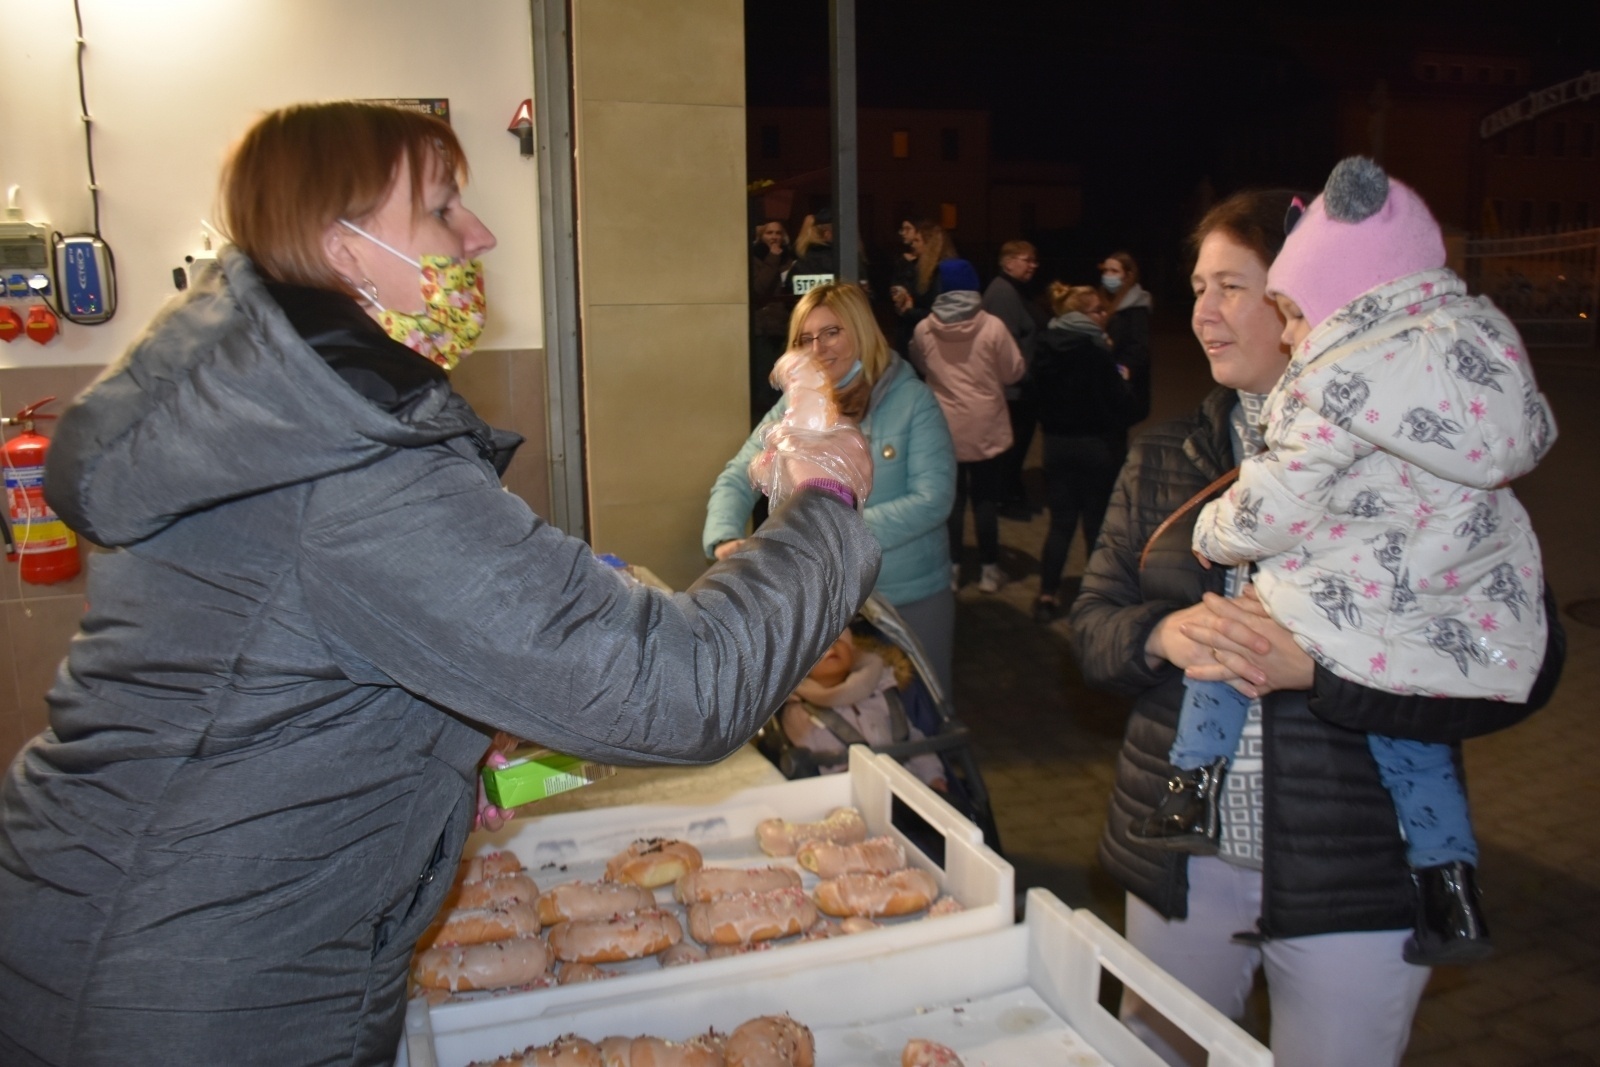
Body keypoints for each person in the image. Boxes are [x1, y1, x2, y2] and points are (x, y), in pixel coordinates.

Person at [0, 102, 880, 1067]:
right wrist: (823, 500)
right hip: (186, 984)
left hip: (164, 930)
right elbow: (677, 686)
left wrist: (428, 752)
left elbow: (288, 672)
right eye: (442, 208)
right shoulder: (344, 468)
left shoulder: (282, 424)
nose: (480, 233)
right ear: (342, 246)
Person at [1069, 187, 1564, 1067]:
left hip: (1352, 879)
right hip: (1181, 867)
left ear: (1314, 302)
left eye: (1233, 287)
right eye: (1198, 287)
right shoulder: (1161, 454)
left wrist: (1325, 671)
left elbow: (1526, 665)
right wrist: (1164, 636)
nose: (1204, 313)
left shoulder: (1425, 452)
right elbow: (1092, 626)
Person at [705, 281, 957, 699]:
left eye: (832, 332)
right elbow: (737, 475)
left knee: (918, 714)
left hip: (903, 595)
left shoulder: (912, 401)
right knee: (835, 719)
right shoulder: (793, 410)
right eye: (805, 339)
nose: (818, 348)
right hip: (824, 602)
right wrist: (724, 537)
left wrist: (825, 533)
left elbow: (932, 500)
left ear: (861, 331)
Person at [907, 258, 1025, 594]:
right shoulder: (992, 327)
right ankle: (989, 570)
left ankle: (953, 569)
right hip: (986, 426)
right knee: (985, 500)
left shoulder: (925, 329)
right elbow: (1013, 371)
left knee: (952, 502)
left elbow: (921, 364)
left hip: (943, 427)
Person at [1030, 283, 1138, 624]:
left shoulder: (1044, 346)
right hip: (1095, 447)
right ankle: (1097, 597)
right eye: (1098, 310)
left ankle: (1047, 594)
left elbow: (1035, 396)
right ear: (1081, 315)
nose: (1105, 316)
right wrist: (1123, 378)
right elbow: (1119, 404)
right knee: (1096, 525)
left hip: (1057, 446)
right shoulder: (1096, 352)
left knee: (1060, 524)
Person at [778, 628, 947, 789]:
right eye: (816, 644)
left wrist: (932, 775)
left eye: (837, 639)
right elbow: (812, 768)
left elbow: (911, 738)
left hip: (911, 784)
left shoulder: (882, 688)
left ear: (853, 650)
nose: (830, 647)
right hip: (852, 794)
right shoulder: (798, 713)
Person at [982, 240, 1049, 519]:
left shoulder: (1016, 290)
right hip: (1012, 389)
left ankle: (1010, 491)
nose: (1033, 265)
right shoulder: (1003, 293)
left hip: (1022, 385)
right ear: (1008, 262)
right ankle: (1004, 498)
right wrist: (1021, 377)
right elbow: (1004, 345)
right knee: (1011, 447)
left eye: (1035, 260)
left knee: (1017, 446)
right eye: (1026, 260)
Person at [749, 218, 796, 423]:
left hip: (784, 327)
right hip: (764, 329)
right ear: (761, 236)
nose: (774, 237)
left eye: (778, 233)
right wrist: (773, 258)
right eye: (769, 233)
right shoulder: (756, 257)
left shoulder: (790, 258)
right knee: (766, 381)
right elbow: (759, 288)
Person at [1099, 250, 1155, 423]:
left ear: (1128, 275)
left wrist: (1121, 370)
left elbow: (1139, 347)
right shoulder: (1103, 301)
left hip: (1121, 383)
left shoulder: (1136, 307)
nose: (1108, 275)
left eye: (1114, 271)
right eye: (1106, 270)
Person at [892, 220, 955, 342]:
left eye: (917, 241)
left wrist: (909, 311)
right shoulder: (922, 266)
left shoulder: (939, 272)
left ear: (929, 244)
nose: (913, 244)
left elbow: (936, 312)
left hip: (932, 337)